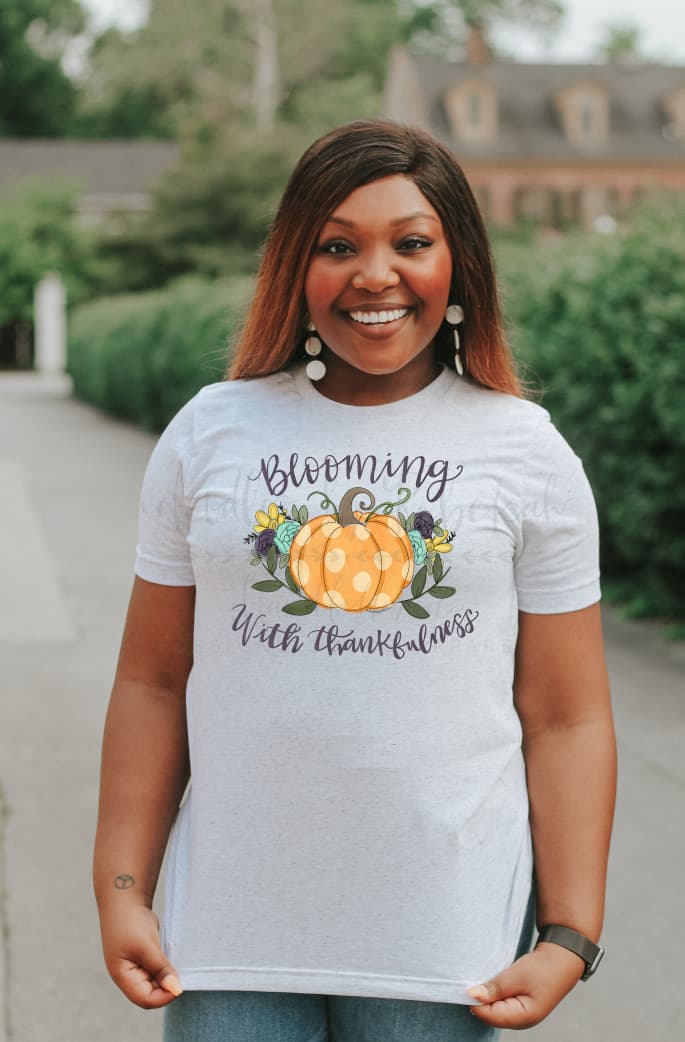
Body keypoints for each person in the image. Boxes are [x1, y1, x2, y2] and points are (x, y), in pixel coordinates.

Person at [93, 119, 617, 1042]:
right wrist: (123, 886)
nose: (375, 275)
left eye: (410, 243)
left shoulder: (522, 449)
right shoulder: (213, 433)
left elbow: (565, 714)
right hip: (228, 942)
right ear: (296, 266)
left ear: (457, 266)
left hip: (444, 949)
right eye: (338, 245)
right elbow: (152, 680)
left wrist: (569, 932)